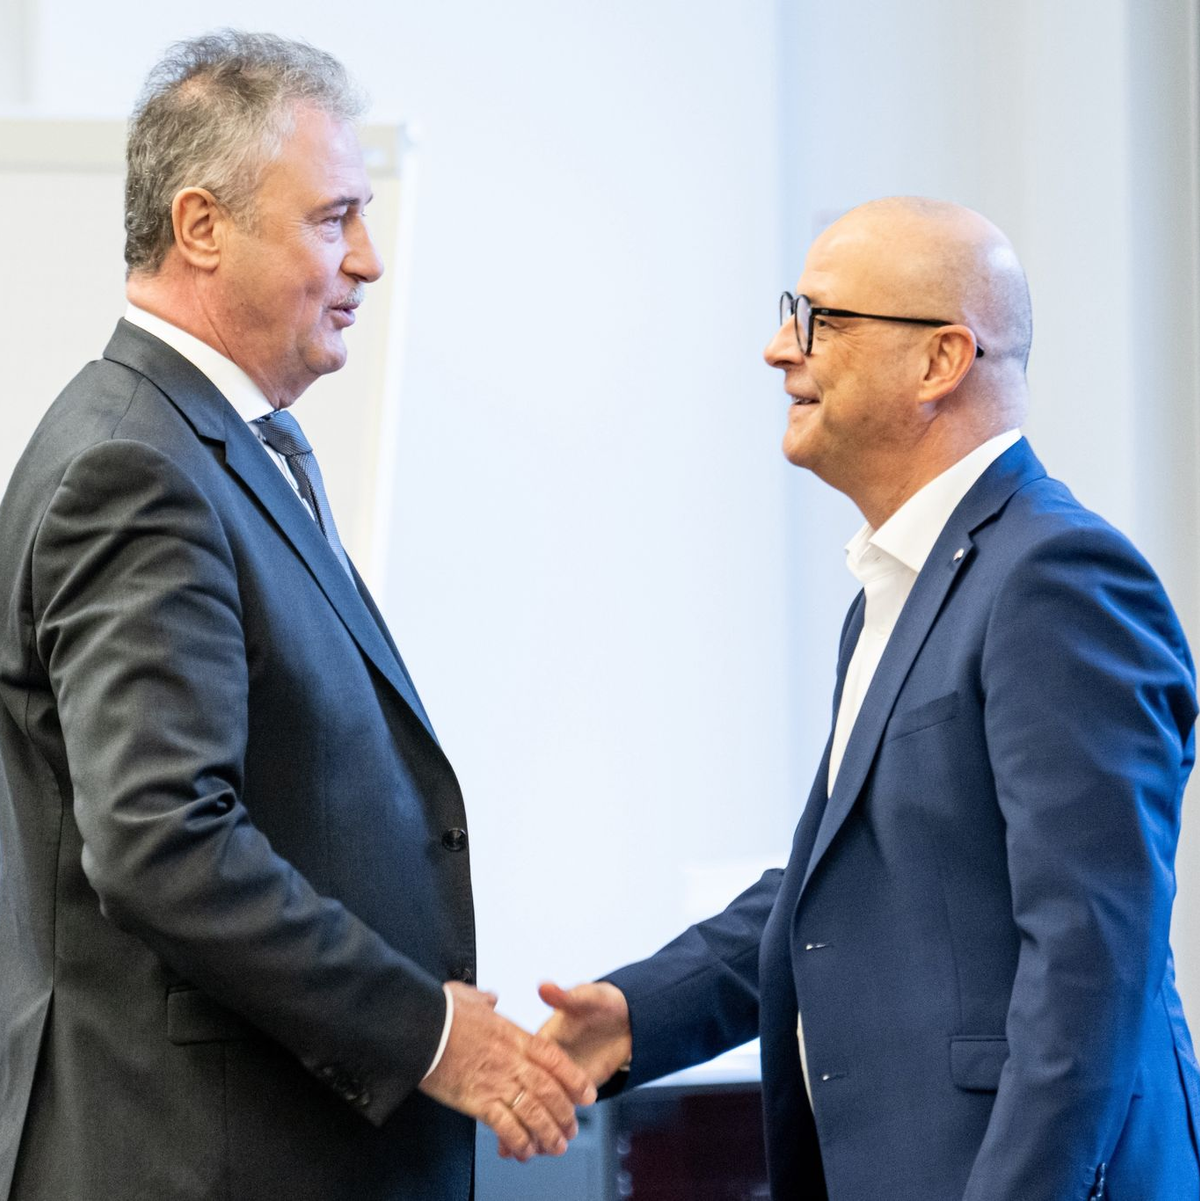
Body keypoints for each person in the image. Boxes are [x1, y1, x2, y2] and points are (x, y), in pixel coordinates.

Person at [0, 30, 593, 1201]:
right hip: (197, 1157)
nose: (369, 259)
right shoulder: (136, 468)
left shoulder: (221, 447)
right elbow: (165, 844)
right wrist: (427, 1032)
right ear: (202, 227)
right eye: (334, 218)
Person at [539, 197, 1200, 1200]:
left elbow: (1090, 967)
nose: (777, 350)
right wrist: (639, 1013)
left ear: (940, 360)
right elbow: (847, 886)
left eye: (819, 319)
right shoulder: (901, 591)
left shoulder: (1056, 576)